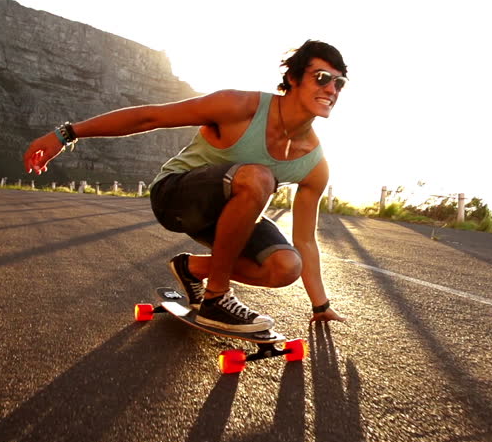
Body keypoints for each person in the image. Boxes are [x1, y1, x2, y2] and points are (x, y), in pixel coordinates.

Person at [23, 40, 348, 332]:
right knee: (259, 177)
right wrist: (66, 134)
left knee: (286, 267)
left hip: (231, 216)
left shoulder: (314, 165)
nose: (331, 89)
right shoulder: (240, 107)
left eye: (339, 83)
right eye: (321, 78)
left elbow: (305, 239)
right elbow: (149, 118)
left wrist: (321, 306)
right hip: (175, 197)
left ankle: (192, 268)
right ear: (293, 79)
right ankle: (216, 299)